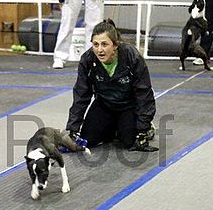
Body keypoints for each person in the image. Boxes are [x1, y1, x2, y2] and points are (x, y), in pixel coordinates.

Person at [65, 19, 158, 152]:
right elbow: (81, 94)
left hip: (129, 105)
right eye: (95, 44)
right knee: (87, 140)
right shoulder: (87, 60)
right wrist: (73, 128)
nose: (100, 50)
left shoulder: (132, 56)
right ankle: (112, 128)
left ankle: (147, 128)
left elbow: (145, 94)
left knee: (129, 141)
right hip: (104, 104)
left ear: (115, 45)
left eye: (104, 44)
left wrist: (142, 129)